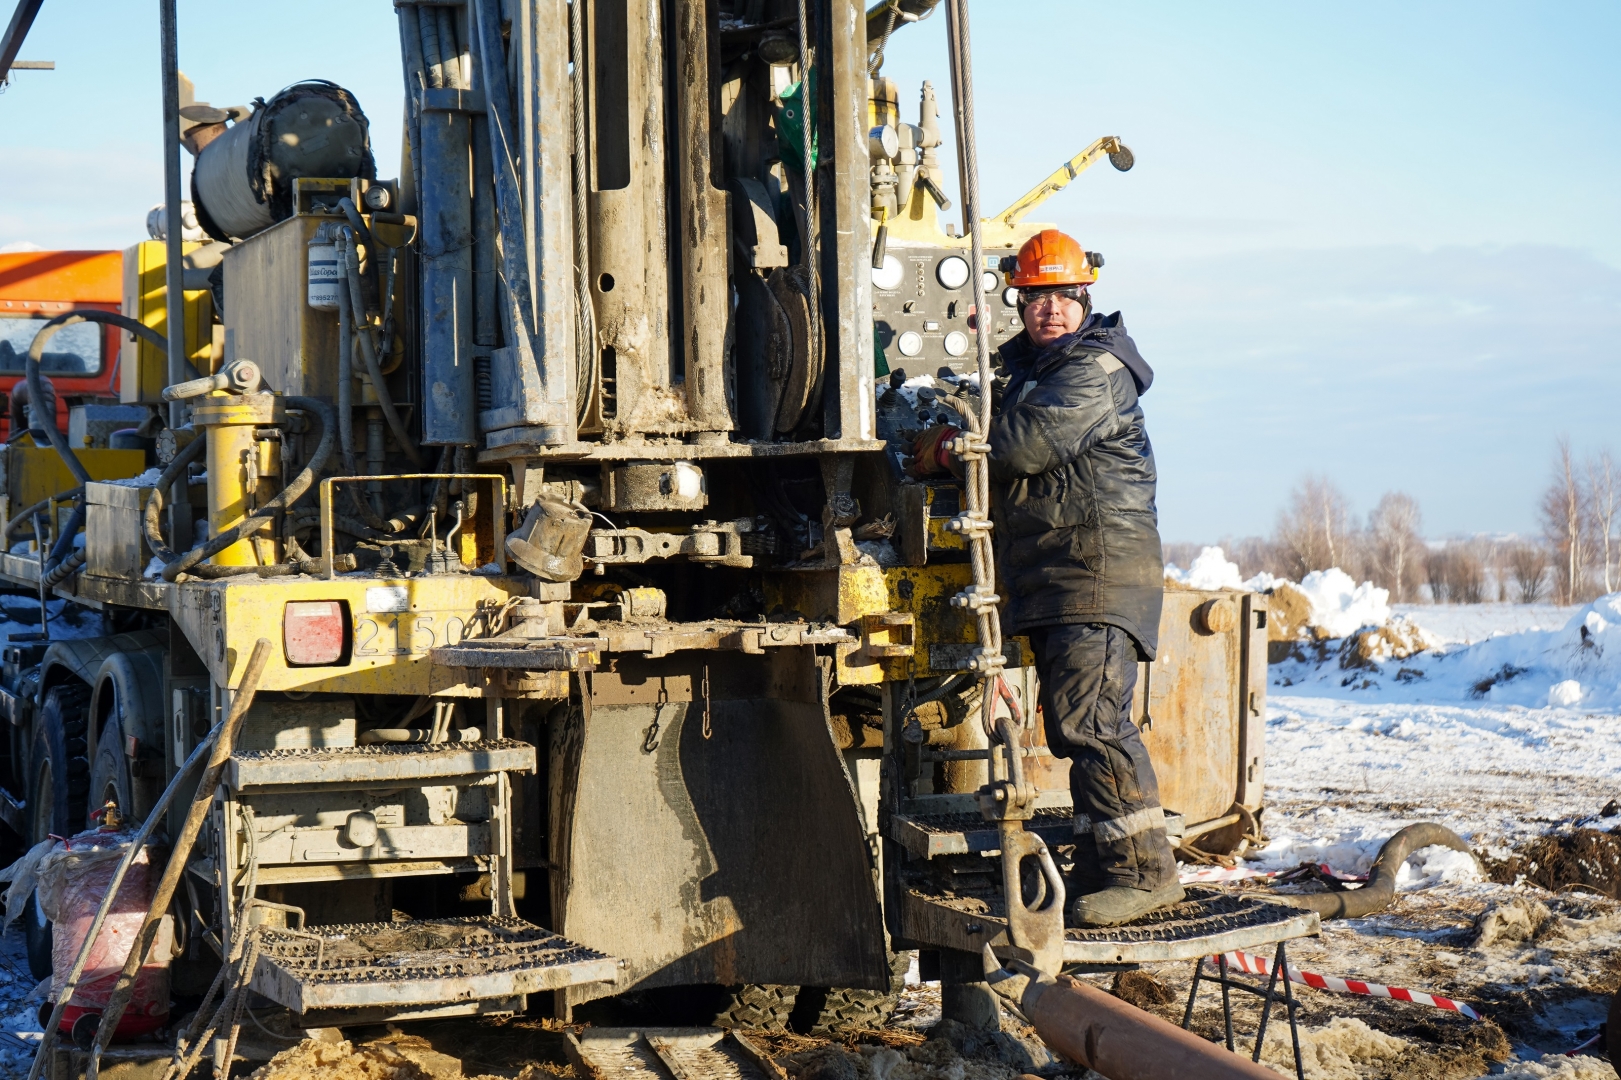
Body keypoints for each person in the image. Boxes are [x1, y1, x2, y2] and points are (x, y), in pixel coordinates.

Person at [909, 228, 1180, 927]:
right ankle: (1102, 864)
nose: (1049, 309)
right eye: (1035, 297)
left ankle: (1145, 873)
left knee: (1091, 723)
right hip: (1063, 575)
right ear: (1019, 302)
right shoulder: (1034, 370)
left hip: (1095, 571)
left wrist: (946, 446)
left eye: (1062, 296)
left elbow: (1025, 445)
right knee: (1070, 725)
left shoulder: (1093, 371)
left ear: (1085, 296)